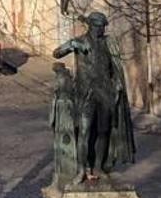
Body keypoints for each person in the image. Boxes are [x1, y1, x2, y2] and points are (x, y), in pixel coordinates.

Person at [52, 12, 136, 182]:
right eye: (99, 26)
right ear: (91, 25)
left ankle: (98, 166)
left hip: (105, 93)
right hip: (86, 94)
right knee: (84, 131)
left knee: (103, 131)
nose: (101, 29)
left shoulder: (108, 43)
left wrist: (117, 83)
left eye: (103, 26)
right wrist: (71, 44)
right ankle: (82, 169)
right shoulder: (80, 41)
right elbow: (56, 53)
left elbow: (115, 67)